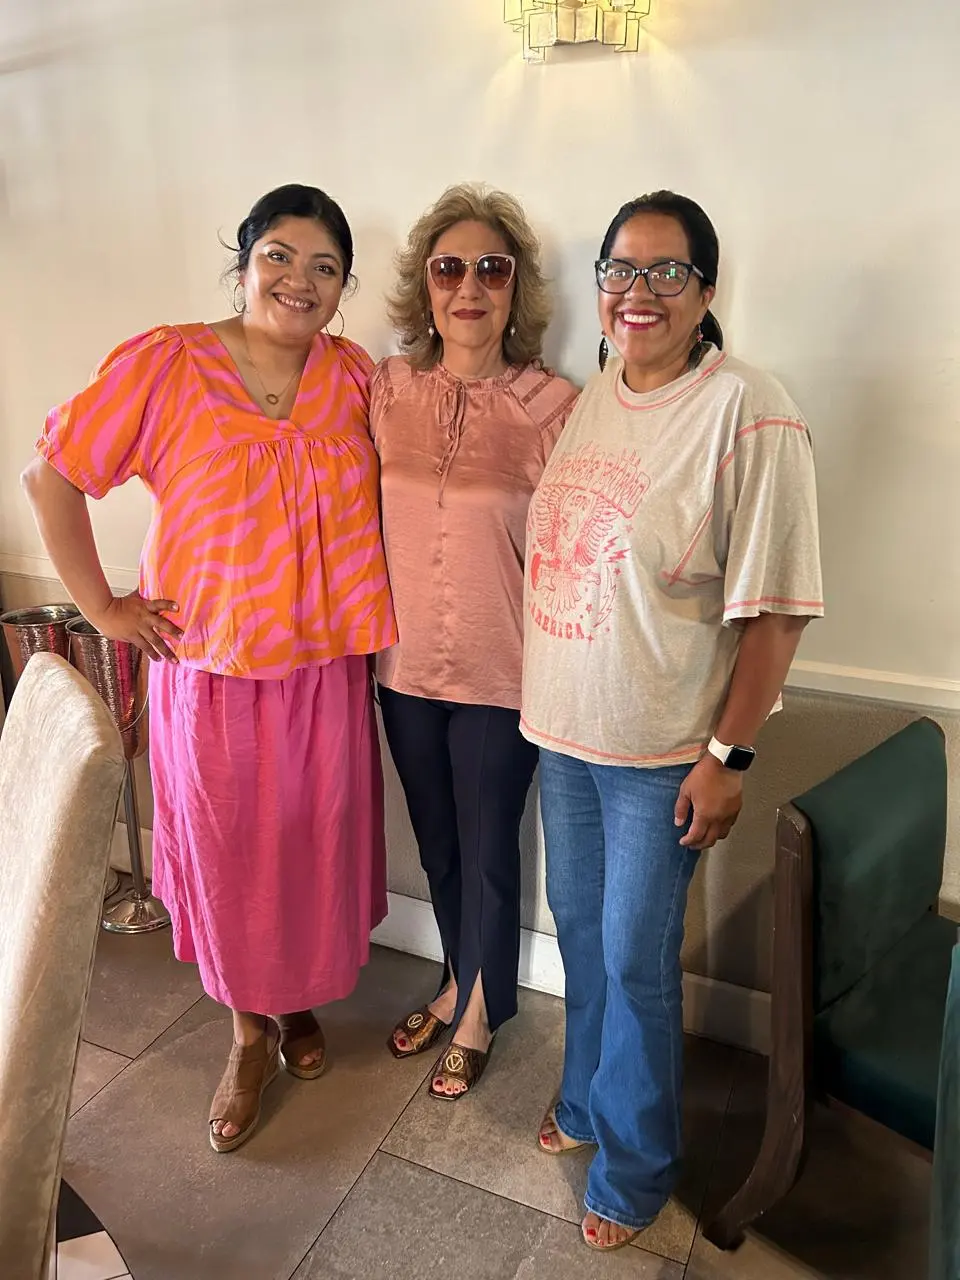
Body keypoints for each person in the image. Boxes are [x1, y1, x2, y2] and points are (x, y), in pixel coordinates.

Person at [22, 184, 396, 1153]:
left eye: (324, 267)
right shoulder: (169, 361)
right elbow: (51, 474)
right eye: (279, 255)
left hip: (323, 672)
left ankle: (296, 1000)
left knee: (309, 847)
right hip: (215, 672)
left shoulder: (355, 376)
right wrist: (105, 607)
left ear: (343, 287)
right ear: (243, 263)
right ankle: (245, 1033)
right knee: (231, 856)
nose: (299, 280)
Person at [521, 191, 824, 1250]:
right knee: (583, 937)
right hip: (565, 735)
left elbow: (777, 611)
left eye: (666, 270)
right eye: (620, 269)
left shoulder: (750, 408)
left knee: (636, 960)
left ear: (707, 289)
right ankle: (586, 1098)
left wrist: (727, 757)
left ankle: (637, 1164)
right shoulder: (598, 393)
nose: (637, 291)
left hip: (661, 754)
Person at [371, 184, 579, 1100]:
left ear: (515, 287)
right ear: (425, 285)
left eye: (491, 269)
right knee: (439, 846)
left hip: (505, 674)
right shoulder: (386, 390)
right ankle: (458, 981)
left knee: (490, 847)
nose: (468, 287)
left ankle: (485, 1010)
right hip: (404, 667)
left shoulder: (553, 406)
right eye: (449, 268)